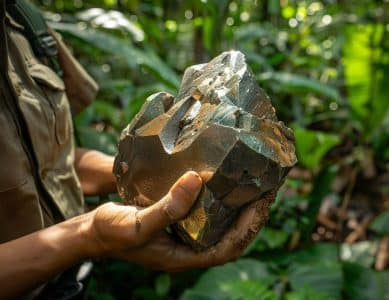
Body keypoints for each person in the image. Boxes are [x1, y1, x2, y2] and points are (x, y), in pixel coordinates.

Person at [0, 0, 274, 299]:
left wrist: (154, 176)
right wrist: (89, 236)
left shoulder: (23, 22)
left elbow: (48, 161)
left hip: (72, 284)